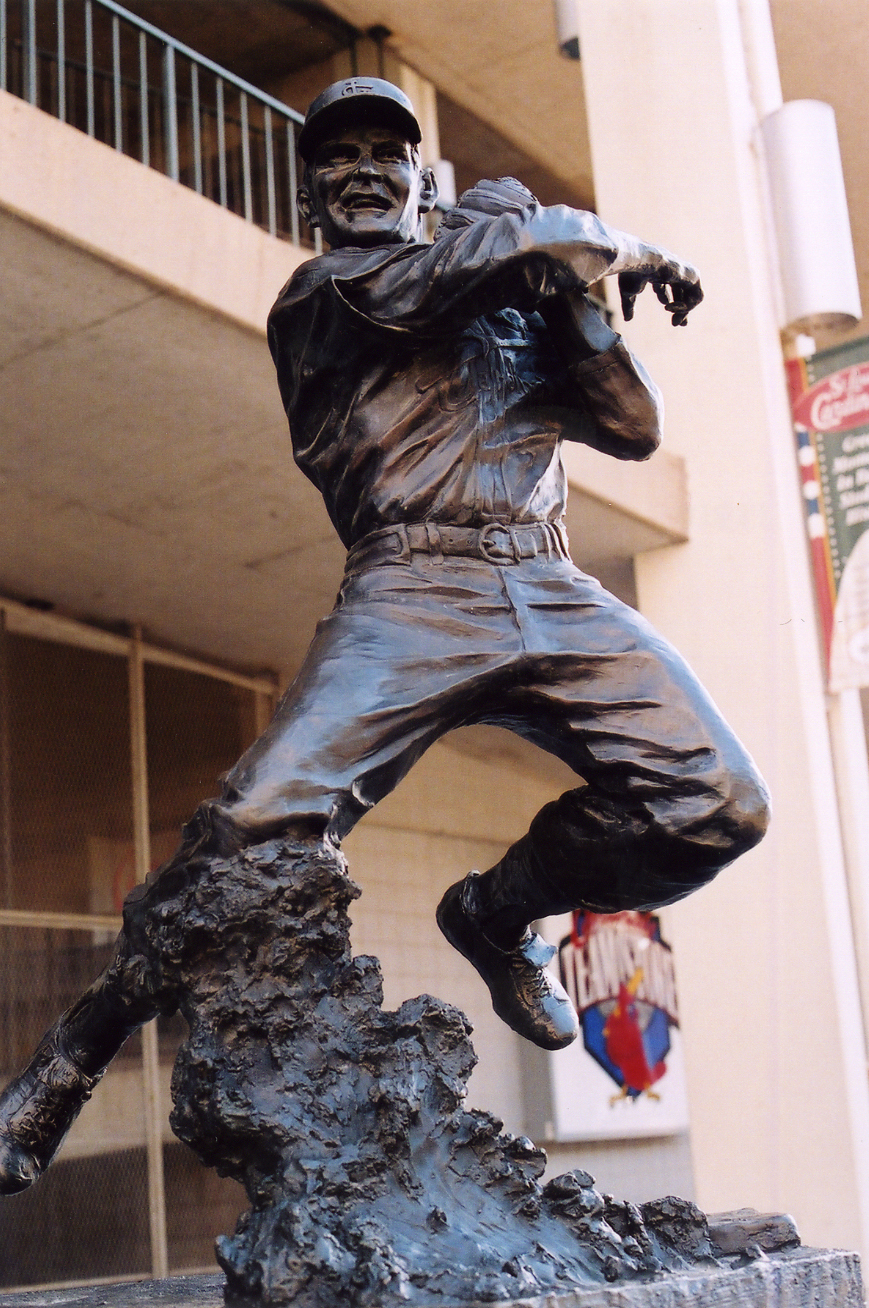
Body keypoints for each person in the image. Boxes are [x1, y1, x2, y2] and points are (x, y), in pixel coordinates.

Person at [0, 78, 769, 1195]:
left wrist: (571, 297)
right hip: (410, 589)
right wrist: (590, 242)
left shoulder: (508, 301)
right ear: (311, 190)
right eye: (338, 158)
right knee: (248, 828)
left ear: (419, 181)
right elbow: (461, 270)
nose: (362, 172)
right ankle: (64, 1067)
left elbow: (632, 427)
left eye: (385, 156)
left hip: (545, 578)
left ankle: (494, 916)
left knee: (717, 808)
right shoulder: (329, 294)